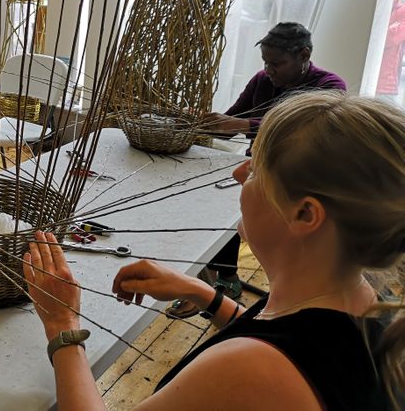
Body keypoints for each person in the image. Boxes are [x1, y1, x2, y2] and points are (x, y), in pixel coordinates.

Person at [23, 91, 403, 410]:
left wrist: (62, 324)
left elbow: (267, 363)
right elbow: (286, 341)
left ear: (304, 214)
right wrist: (202, 293)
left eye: (256, 170)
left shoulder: (254, 370)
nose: (239, 173)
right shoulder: (364, 303)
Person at [167, 21, 346, 318]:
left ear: (304, 54)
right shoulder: (262, 81)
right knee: (220, 204)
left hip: (303, 178)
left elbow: (304, 130)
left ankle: (285, 295)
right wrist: (206, 121)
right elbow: (229, 126)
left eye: (277, 63)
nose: (269, 69)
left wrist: (243, 125)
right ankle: (224, 279)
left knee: (260, 223)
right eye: (265, 62)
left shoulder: (330, 86)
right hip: (258, 168)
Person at [376, 0, 405, 106]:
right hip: (369, 76)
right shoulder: (378, 8)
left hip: (386, 83)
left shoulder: (402, 11)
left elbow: (390, 38)